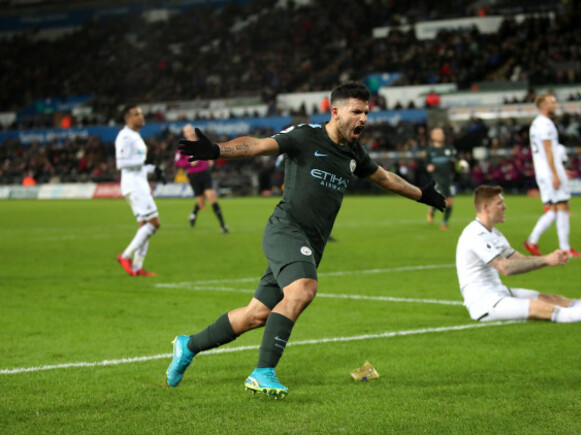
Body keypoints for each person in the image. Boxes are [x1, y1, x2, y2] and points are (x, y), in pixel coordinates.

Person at [166, 82, 446, 398]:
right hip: (286, 229)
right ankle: (262, 372)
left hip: (311, 244)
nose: (364, 119)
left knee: (255, 315)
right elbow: (257, 145)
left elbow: (385, 178)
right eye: (357, 111)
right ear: (336, 111)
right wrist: (217, 150)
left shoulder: (354, 153)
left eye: (366, 112)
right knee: (303, 288)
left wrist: (423, 195)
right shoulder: (306, 136)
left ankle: (187, 345)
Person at [456, 185, 581, 323]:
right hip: (484, 304)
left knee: (553, 299)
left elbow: (517, 259)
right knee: (544, 309)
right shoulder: (475, 234)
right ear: (486, 207)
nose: (504, 206)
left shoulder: (493, 233)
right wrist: (546, 260)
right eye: (500, 203)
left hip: (501, 293)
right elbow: (505, 267)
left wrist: (549, 258)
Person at [523, 94, 581, 257]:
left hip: (544, 171)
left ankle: (533, 241)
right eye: (552, 102)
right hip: (550, 172)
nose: (555, 105)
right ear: (543, 105)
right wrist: (556, 174)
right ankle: (563, 248)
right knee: (562, 205)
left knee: (556, 208)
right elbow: (548, 150)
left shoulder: (536, 124)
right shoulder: (545, 124)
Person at [115, 104, 163, 277]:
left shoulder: (135, 136)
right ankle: (125, 256)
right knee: (154, 223)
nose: (141, 117)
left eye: (141, 114)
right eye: (136, 114)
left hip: (138, 183)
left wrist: (152, 168)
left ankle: (136, 267)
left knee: (144, 225)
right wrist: (142, 161)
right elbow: (121, 163)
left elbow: (137, 165)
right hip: (134, 186)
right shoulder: (125, 136)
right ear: (128, 118)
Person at [175, 124, 229, 233]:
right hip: (193, 176)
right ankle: (194, 212)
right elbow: (177, 162)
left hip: (205, 173)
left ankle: (223, 226)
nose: (190, 132)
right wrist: (189, 163)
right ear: (185, 134)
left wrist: (211, 157)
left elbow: (211, 151)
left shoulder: (202, 142)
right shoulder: (183, 146)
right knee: (201, 203)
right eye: (187, 131)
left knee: (212, 198)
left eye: (191, 130)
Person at [424, 126, 456, 229]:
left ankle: (443, 222)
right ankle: (441, 220)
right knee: (445, 200)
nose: (441, 135)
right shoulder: (429, 150)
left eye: (442, 133)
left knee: (450, 202)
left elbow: (457, 162)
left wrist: (460, 165)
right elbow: (427, 165)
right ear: (433, 136)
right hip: (437, 179)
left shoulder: (449, 148)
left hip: (448, 179)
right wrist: (429, 167)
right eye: (438, 133)